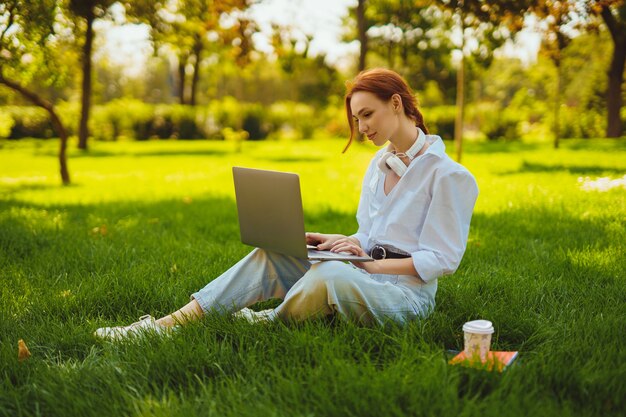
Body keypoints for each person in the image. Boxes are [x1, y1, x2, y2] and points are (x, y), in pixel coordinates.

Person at [95, 68, 478, 340]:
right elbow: (369, 233)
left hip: (404, 299)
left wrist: (366, 263)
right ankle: (165, 326)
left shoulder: (450, 176)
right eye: (356, 119)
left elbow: (440, 260)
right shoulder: (378, 165)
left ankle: (268, 321)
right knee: (274, 253)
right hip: (363, 273)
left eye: (367, 115)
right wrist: (338, 243)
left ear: (396, 103)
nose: (361, 129)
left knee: (331, 276)